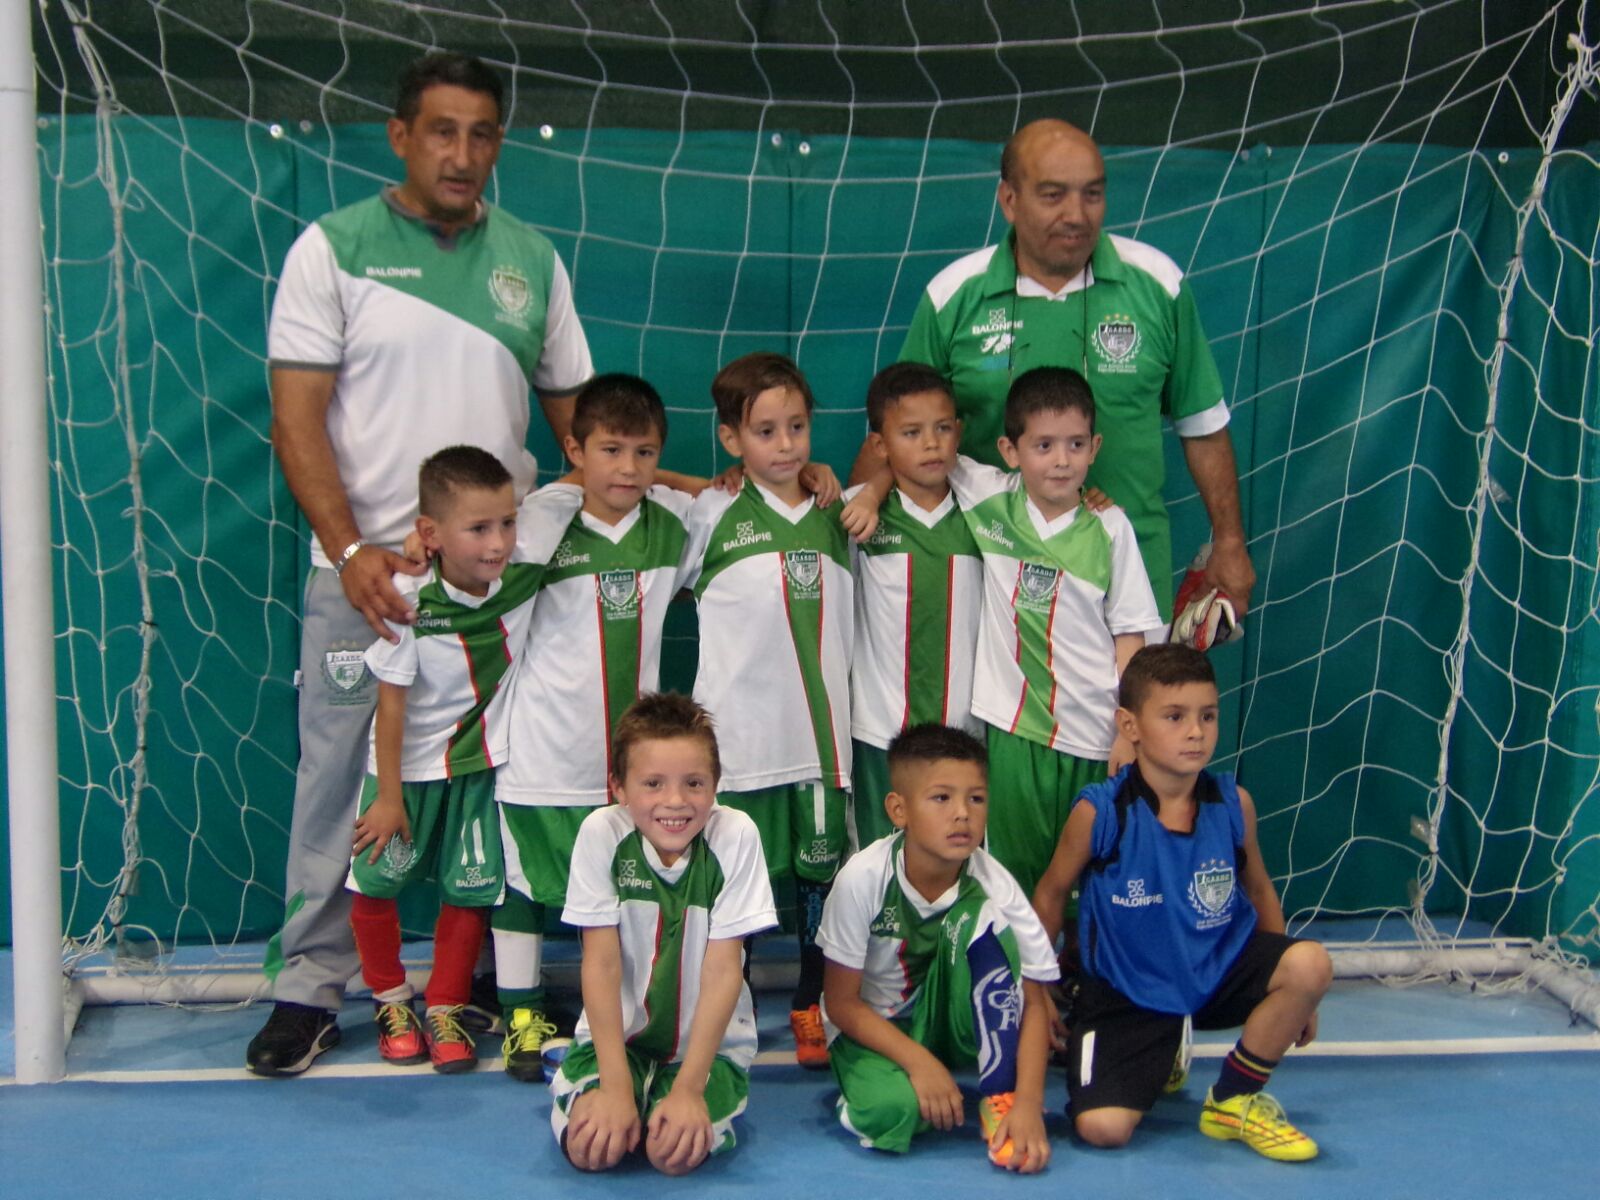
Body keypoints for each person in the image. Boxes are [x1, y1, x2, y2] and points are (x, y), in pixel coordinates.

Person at [253, 50, 593, 1075]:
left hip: (495, 597)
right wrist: (351, 549)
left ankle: (476, 981)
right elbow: (296, 420)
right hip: (366, 582)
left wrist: (698, 485)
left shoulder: (532, 260)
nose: (461, 153)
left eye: (481, 134)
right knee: (339, 782)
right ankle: (309, 988)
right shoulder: (333, 250)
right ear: (401, 136)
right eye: (441, 131)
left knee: (488, 784)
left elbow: (583, 431)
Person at [870, 118, 1254, 620]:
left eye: (1092, 194)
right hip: (989, 586)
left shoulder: (1158, 285)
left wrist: (1229, 542)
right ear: (1009, 200)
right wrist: (853, 512)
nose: (1076, 215)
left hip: (1128, 583)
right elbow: (896, 431)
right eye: (1053, 195)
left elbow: (1202, 426)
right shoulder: (952, 296)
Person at [848, 366, 1160, 902]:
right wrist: (872, 491)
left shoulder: (1107, 527)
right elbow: (908, 460)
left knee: (1093, 873)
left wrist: (1128, 731)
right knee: (1005, 879)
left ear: (1094, 447)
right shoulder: (986, 495)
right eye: (1044, 445)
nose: (1060, 460)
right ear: (1010, 451)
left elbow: (1131, 635)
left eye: (1075, 445)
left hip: (1088, 733)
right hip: (1006, 732)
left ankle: (1083, 956)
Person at [1031, 644, 1332, 1161]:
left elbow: (1260, 889)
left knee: (1310, 965)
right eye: (1175, 717)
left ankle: (1232, 1100)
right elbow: (1051, 892)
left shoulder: (1233, 804)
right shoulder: (1101, 812)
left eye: (1207, 716)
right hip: (1128, 993)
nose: (1196, 732)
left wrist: (1295, 998)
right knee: (1102, 1130)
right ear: (1130, 726)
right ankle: (1162, 1042)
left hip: (1214, 974)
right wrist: (1036, 989)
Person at [491, 374, 699, 1080]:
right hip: (546, 749)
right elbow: (476, 557)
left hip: (633, 766)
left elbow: (739, 501)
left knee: (626, 891)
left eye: (645, 453)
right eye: (611, 450)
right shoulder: (539, 521)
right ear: (575, 451)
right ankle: (520, 1018)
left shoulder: (674, 522)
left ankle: (618, 1017)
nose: (628, 469)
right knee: (524, 885)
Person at [344, 446, 566, 1072]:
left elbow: (599, 470)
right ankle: (390, 1000)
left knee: (470, 890)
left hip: (477, 769)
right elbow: (390, 708)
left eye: (507, 523)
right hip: (405, 772)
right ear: (431, 533)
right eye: (478, 528)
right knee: (375, 882)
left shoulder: (522, 570)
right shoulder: (409, 602)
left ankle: (446, 1004)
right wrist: (389, 796)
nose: (498, 543)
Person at [680, 351, 854, 1069]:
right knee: (735, 885)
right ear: (731, 439)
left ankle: (812, 1003)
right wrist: (691, 481)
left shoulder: (838, 510)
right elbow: (628, 493)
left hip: (819, 747)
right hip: (739, 749)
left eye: (798, 427)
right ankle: (734, 1002)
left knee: (820, 883)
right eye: (765, 431)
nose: (786, 445)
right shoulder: (709, 513)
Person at [550, 692, 777, 1176]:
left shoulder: (736, 836)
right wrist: (614, 1088)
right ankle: (607, 1084)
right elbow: (601, 963)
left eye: (694, 783)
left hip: (707, 1053)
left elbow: (723, 970)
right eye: (653, 783)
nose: (675, 801)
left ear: (716, 784)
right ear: (619, 787)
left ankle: (676, 1092)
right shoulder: (600, 834)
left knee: (669, 1154)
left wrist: (690, 1090)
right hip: (616, 1044)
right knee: (594, 1148)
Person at [818, 723, 1057, 1171]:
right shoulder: (862, 879)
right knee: (895, 1112)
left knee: (982, 917)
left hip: (950, 1027)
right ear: (899, 809)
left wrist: (1028, 1103)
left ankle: (1000, 1095)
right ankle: (873, 1090)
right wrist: (918, 1063)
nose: (962, 814)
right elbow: (842, 1004)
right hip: (876, 1030)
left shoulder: (994, 884)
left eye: (976, 799)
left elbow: (1033, 1001)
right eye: (942, 798)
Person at [845, 362, 984, 850]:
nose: (931, 444)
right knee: (878, 865)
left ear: (958, 432)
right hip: (880, 731)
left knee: (957, 858)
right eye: (911, 432)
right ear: (880, 445)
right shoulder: (855, 517)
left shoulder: (986, 510)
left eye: (942, 429)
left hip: (965, 730)